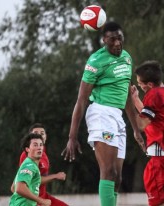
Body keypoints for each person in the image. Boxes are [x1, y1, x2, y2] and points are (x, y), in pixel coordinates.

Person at [61, 21, 146, 206]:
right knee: (108, 172)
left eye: (120, 38)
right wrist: (72, 136)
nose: (117, 43)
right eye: (112, 39)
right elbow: (82, 100)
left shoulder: (127, 58)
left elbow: (126, 98)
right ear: (104, 40)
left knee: (117, 178)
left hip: (118, 118)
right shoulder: (95, 61)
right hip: (101, 114)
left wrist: (136, 129)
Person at [130, 60, 164, 206]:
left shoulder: (153, 94)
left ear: (150, 85)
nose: (140, 87)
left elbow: (142, 124)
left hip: (161, 159)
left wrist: (127, 104)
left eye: (141, 84)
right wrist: (135, 99)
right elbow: (153, 117)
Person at [15, 123, 68, 206]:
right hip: (34, 199)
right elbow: (18, 187)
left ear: (46, 137)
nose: (39, 135)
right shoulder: (28, 158)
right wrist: (55, 176)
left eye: (42, 133)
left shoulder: (42, 154)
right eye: (36, 133)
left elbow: (15, 185)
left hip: (42, 196)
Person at [9, 133, 51, 206]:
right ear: (27, 149)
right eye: (35, 145)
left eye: (41, 145)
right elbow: (19, 188)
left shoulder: (28, 164)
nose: (39, 147)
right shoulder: (29, 165)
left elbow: (13, 188)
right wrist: (41, 201)